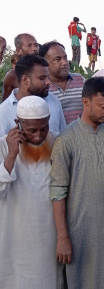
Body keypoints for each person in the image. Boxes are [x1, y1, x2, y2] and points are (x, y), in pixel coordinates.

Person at [50, 76, 104, 288]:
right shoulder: (65, 141)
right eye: (103, 106)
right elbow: (57, 192)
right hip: (82, 229)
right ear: (85, 102)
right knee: (85, 277)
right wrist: (62, 237)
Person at [0, 96, 58, 288]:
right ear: (18, 123)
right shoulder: (3, 146)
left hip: (49, 235)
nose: (38, 136)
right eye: (31, 130)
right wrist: (11, 154)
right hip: (14, 236)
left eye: (44, 128)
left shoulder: (58, 142)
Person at [0, 54, 65, 136]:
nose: (48, 82)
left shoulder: (53, 101)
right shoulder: (3, 112)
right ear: (25, 80)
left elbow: (63, 138)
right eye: (42, 78)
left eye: (48, 77)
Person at [40, 41, 85, 124]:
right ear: (44, 63)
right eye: (57, 59)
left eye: (65, 58)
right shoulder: (42, 87)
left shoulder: (80, 80)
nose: (64, 63)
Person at [2, 33, 39, 101]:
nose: (35, 48)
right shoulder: (13, 75)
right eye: (29, 45)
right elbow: (5, 104)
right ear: (18, 51)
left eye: (36, 45)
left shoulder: (45, 71)